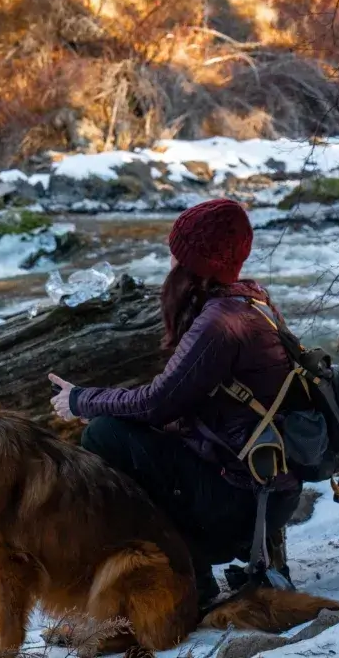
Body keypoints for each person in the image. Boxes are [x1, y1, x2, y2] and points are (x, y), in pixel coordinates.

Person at [48, 198, 302, 608]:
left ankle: (187, 577)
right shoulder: (254, 302)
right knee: (119, 429)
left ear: (195, 263)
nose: (169, 258)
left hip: (237, 505)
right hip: (268, 495)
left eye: (176, 250)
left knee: (104, 435)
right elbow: (185, 408)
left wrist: (84, 401)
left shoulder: (220, 323)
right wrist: (105, 404)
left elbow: (157, 402)